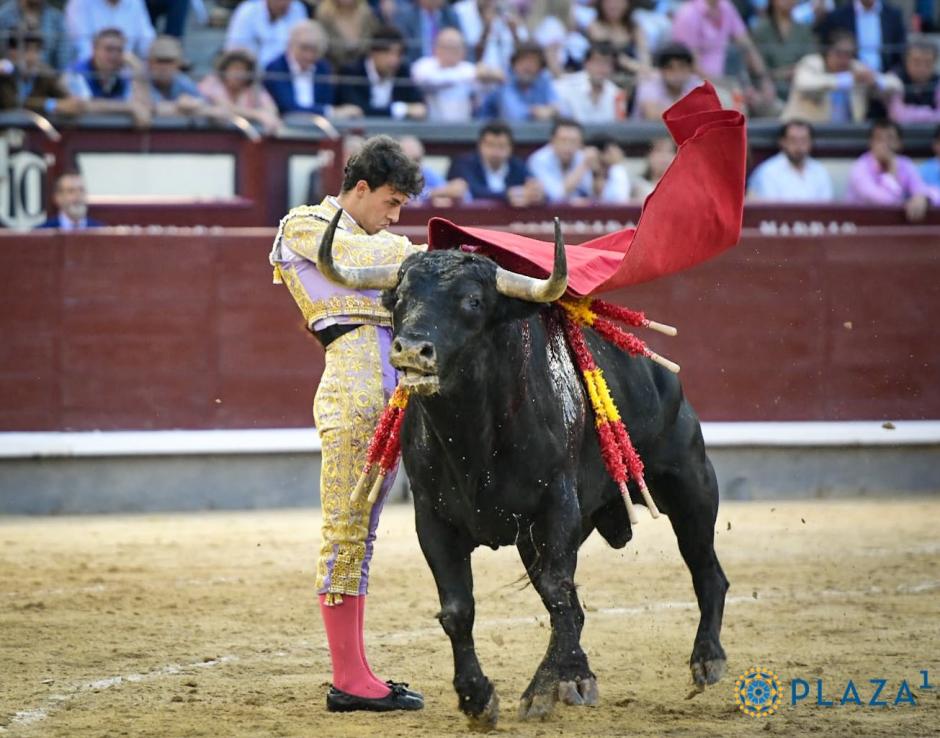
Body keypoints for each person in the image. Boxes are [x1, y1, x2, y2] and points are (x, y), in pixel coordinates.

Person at [268, 134, 426, 713]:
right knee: (347, 529)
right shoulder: (304, 225)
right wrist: (421, 255)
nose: (394, 216)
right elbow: (357, 261)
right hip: (354, 394)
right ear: (360, 188)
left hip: (398, 395)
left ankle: (357, 674)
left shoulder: (384, 240)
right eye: (390, 202)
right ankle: (348, 680)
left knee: (366, 529)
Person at [782, 30, 902, 123]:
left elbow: (897, 85)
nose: (844, 60)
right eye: (839, 54)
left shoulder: (856, 68)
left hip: (847, 135)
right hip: (804, 135)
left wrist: (876, 81)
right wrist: (847, 79)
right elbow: (804, 83)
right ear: (827, 52)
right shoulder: (811, 62)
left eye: (848, 54)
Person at [264, 19, 361, 118]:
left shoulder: (323, 68)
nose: (309, 56)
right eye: (304, 48)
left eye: (314, 50)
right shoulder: (275, 68)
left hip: (320, 126)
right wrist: (330, 112)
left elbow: (326, 101)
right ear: (291, 45)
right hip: (285, 126)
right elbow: (287, 108)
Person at [845, 119, 937, 222]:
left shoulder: (906, 164)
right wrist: (892, 170)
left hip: (895, 228)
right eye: (879, 139)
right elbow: (886, 203)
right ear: (870, 143)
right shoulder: (860, 168)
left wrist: (922, 198)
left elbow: (921, 189)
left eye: (890, 138)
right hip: (861, 226)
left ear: (899, 143)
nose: (884, 144)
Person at [62, 27, 152, 127]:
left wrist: (137, 69)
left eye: (119, 50)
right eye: (109, 49)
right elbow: (83, 105)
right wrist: (129, 107)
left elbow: (144, 106)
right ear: (94, 49)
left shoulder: (123, 75)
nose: (114, 55)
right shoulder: (76, 72)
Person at [411, 27, 503, 122]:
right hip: (431, 127)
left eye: (456, 47)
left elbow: (492, 84)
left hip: (463, 128)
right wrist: (473, 75)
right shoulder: (424, 65)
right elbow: (428, 80)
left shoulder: (467, 68)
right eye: (447, 46)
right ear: (436, 48)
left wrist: (489, 74)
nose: (451, 52)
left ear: (463, 51)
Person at [334, 25, 426, 120]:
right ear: (373, 52)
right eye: (388, 53)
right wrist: (401, 109)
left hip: (395, 133)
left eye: (398, 54)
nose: (394, 60)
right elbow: (358, 110)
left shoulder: (402, 72)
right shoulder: (351, 72)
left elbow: (419, 108)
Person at [445, 119, 543, 205]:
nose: (495, 151)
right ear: (480, 145)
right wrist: (508, 195)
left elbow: (537, 190)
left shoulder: (517, 165)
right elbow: (473, 191)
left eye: (501, 146)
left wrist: (535, 193)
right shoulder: (464, 163)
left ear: (510, 148)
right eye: (490, 145)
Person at [198, 47, 281, 134]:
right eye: (235, 69)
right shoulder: (212, 82)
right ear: (225, 69)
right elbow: (227, 108)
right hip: (211, 135)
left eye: (243, 70)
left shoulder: (252, 88)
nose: (239, 74)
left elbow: (271, 108)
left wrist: (268, 115)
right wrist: (258, 115)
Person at [0, 28, 83, 114]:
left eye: (37, 50)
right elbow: (13, 104)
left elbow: (68, 99)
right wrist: (52, 105)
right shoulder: (3, 74)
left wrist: (72, 103)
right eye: (26, 50)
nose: (32, 57)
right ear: (12, 52)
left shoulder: (45, 72)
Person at [748, 120, 833, 202]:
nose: (799, 146)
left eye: (803, 140)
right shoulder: (768, 172)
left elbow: (826, 210)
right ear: (783, 142)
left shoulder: (820, 171)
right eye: (793, 140)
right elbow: (770, 212)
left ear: (811, 142)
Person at [476, 40, 559, 121]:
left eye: (533, 62)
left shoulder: (543, 81)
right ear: (514, 64)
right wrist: (534, 112)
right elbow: (514, 115)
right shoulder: (504, 79)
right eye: (523, 61)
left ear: (540, 67)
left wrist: (552, 111)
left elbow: (560, 109)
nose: (527, 67)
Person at [817, 0, 906, 74]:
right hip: (850, 81)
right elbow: (825, 47)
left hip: (884, 81)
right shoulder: (838, 16)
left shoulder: (893, 15)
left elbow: (900, 51)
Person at [750, 0, 817, 98]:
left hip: (801, 91)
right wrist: (782, 74)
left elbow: (812, 61)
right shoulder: (760, 31)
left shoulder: (804, 31)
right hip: (768, 93)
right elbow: (756, 70)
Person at [526, 117, 594, 203]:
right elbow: (555, 195)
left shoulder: (582, 157)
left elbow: (588, 193)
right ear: (552, 141)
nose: (568, 146)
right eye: (563, 140)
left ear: (580, 143)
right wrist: (584, 166)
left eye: (573, 141)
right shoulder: (538, 160)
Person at [555, 42, 626, 123]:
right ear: (586, 63)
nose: (601, 69)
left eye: (607, 64)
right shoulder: (565, 86)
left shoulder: (617, 94)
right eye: (597, 62)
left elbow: (619, 127)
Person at [224, 0, 309, 68]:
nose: (285, 3)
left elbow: (301, 47)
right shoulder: (247, 10)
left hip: (285, 75)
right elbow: (234, 50)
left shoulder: (298, 9)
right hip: (252, 73)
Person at [64, 0, 155, 61]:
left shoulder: (135, 2)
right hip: (88, 72)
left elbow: (147, 43)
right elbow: (84, 50)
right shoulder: (79, 3)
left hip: (126, 70)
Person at [632, 40, 701, 120]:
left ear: (689, 69)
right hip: (648, 132)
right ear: (661, 70)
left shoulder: (695, 84)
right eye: (670, 68)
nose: (676, 73)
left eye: (682, 67)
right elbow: (652, 115)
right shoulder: (649, 82)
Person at [453, 0, 526, 72]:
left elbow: (524, 51)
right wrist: (487, 28)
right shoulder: (460, 10)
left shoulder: (507, 10)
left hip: (508, 75)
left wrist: (514, 32)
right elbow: (471, 55)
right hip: (476, 74)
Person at [585, 0, 650, 77]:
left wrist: (628, 63)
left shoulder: (635, 29)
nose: (613, 5)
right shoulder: (594, 27)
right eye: (609, 1)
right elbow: (593, 61)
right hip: (601, 78)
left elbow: (646, 64)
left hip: (631, 77)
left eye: (619, 1)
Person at [0, 0, 71, 70]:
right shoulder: (3, 17)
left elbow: (64, 64)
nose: (31, 56)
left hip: (47, 77)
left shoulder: (57, 19)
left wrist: (48, 74)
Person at [144, 34, 203, 117]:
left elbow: (205, 104)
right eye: (160, 61)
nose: (164, 67)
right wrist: (178, 106)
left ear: (178, 64)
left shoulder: (182, 80)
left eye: (169, 61)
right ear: (149, 63)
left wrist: (195, 103)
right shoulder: (140, 80)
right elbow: (144, 107)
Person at [888, 39, 940, 124]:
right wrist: (929, 112)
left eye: (928, 63)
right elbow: (897, 115)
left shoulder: (938, 81)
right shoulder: (894, 79)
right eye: (916, 62)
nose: (922, 68)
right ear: (906, 61)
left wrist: (912, 112)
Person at [316, 0, 379, 69]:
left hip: (362, 71)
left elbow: (375, 41)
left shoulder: (367, 15)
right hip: (333, 69)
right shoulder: (324, 16)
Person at [393, 0, 460, 64]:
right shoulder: (405, 17)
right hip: (414, 67)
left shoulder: (450, 16)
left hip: (447, 66)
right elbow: (403, 51)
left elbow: (461, 45)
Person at [36, 171, 105, 229]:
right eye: (71, 191)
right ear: (58, 198)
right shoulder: (41, 233)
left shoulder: (102, 231)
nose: (78, 196)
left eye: (81, 190)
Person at [588, 134, 632, 203]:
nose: (619, 153)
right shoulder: (585, 170)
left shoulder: (617, 170)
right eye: (612, 150)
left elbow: (619, 200)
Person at [631, 135, 675, 201]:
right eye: (659, 150)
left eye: (670, 151)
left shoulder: (683, 186)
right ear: (649, 155)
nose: (664, 156)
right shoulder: (638, 185)